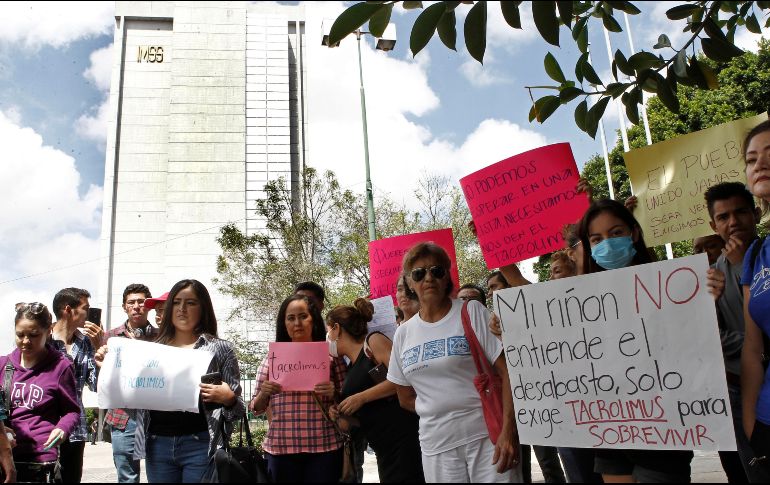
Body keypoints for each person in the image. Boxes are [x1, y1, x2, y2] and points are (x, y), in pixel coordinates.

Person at [578, 198, 693, 482]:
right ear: (589, 247)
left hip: (664, 426)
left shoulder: (673, 287)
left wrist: (708, 297)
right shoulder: (576, 303)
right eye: (597, 239)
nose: (607, 243)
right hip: (613, 424)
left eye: (616, 233)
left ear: (635, 234)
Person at [387, 242, 521, 482]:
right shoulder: (403, 334)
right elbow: (405, 397)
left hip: (488, 438)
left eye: (436, 271)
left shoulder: (472, 312)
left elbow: (507, 370)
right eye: (419, 273)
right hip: (436, 447)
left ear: (446, 276)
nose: (428, 278)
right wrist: (438, 409)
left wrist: (508, 431)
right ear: (409, 282)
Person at [103, 279, 245, 483]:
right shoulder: (152, 348)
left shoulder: (220, 349)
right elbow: (129, 395)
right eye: (177, 302)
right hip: (157, 445)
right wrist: (107, 365)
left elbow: (238, 411)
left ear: (203, 307)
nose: (182, 309)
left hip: (201, 444)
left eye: (191, 303)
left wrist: (229, 399)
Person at [702, 182, 768, 483]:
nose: (733, 222)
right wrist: (751, 348)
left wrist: (744, 266)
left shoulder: (766, 256)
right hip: (741, 391)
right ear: (714, 224)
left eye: (740, 212)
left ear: (755, 213)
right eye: (723, 216)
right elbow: (710, 335)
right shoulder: (710, 276)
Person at [249, 294, 347, 483]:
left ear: (314, 319)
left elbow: (347, 400)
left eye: (303, 316)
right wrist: (264, 393)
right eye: (291, 318)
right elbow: (256, 407)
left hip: (324, 448)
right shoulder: (272, 360)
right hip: (281, 449)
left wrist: (334, 393)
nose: (297, 323)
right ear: (283, 323)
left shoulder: (331, 358)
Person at [326, 299, 424, 483]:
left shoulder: (373, 342)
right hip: (382, 446)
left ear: (337, 328)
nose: (327, 337)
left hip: (404, 437)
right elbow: (362, 419)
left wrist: (361, 398)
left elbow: (404, 378)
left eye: (328, 329)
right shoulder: (351, 368)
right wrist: (341, 414)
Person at [485, 271, 566, 484]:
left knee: (547, 459)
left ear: (508, 285)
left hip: (537, 398)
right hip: (512, 401)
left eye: (495, 286)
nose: (492, 293)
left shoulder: (532, 312)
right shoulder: (492, 322)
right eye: (489, 289)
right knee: (519, 462)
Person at [1, 302, 80, 482]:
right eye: (20, 335)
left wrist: (62, 428)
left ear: (48, 331)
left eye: (34, 335)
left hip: (41, 461)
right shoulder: (3, 365)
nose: (26, 341)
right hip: (6, 458)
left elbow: (72, 411)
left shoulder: (61, 366)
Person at [740, 120, 770, 477]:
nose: (759, 164)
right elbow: (753, 347)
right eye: (751, 159)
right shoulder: (756, 255)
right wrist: (751, 421)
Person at [102, 283, 155, 483]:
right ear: (124, 307)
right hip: (123, 417)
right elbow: (100, 380)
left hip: (157, 417)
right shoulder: (111, 337)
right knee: (126, 477)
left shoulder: (162, 336)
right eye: (131, 302)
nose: (136, 306)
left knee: (160, 474)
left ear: (148, 305)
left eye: (141, 302)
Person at [51, 287, 102, 483]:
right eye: (85, 308)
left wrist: (99, 348)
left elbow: (96, 384)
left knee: (72, 478)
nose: (89, 313)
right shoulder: (44, 338)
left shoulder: (86, 343)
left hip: (76, 427)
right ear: (68, 309)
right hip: (46, 423)